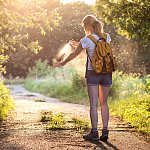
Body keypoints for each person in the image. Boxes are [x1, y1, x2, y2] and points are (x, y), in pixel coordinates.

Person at [54, 15, 112, 141]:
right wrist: (79, 44)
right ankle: (105, 131)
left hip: (93, 73)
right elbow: (98, 47)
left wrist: (62, 63)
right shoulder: (107, 36)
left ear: (86, 26)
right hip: (106, 72)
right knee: (104, 103)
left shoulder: (85, 40)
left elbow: (75, 54)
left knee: (93, 104)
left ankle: (94, 132)